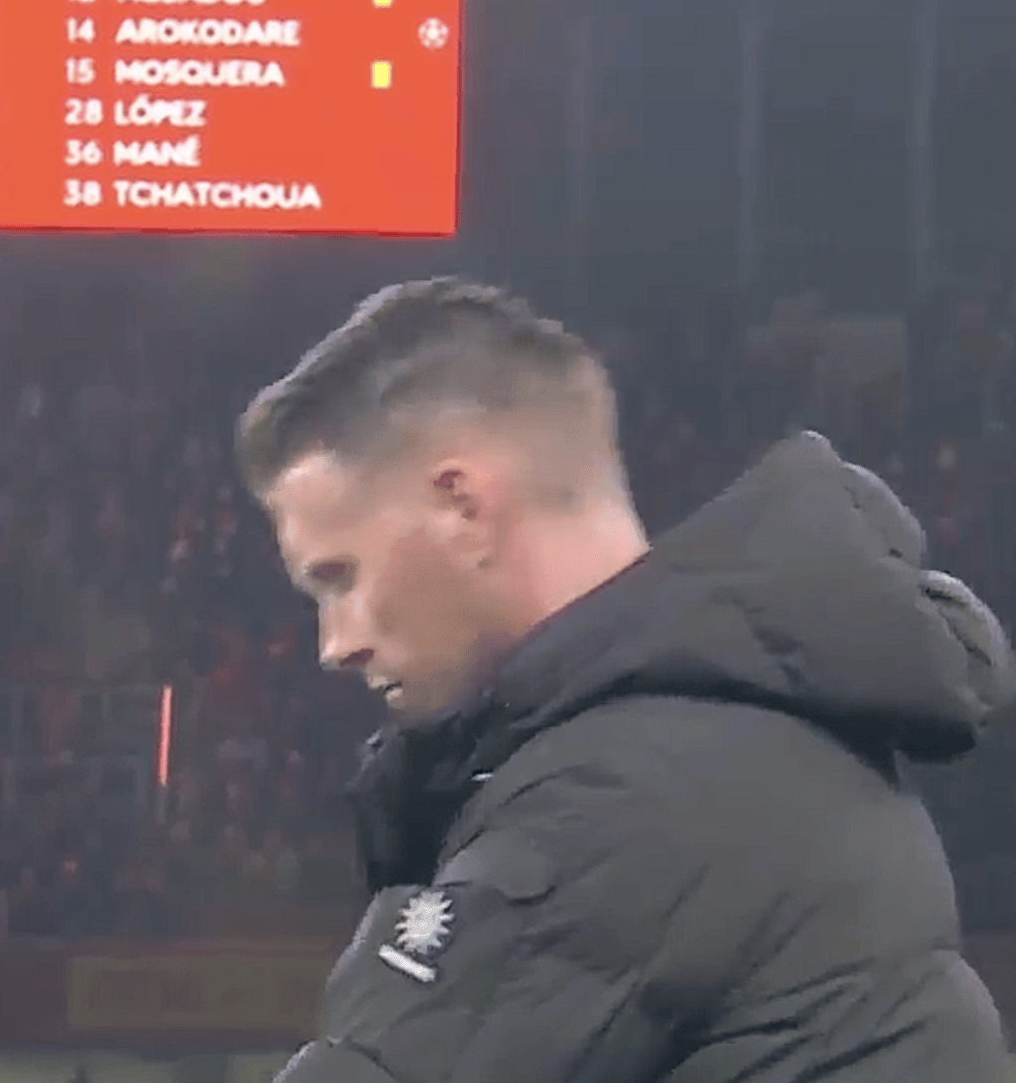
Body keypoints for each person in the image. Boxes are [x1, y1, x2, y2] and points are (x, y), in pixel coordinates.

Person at [236, 277, 1015, 1082]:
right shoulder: (737, 729)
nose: (334, 645)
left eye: (340, 577)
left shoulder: (630, 792)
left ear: (461, 508)